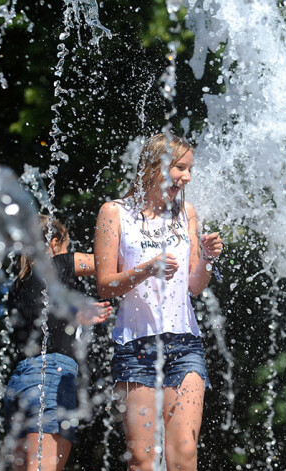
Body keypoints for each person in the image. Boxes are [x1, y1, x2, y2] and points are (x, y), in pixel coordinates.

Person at [93, 134, 223, 471]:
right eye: (181, 167)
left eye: (190, 169)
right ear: (156, 166)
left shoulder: (187, 214)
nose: (187, 177)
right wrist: (146, 269)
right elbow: (106, 285)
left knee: (184, 454)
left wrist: (207, 259)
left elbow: (194, 285)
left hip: (185, 346)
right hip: (135, 347)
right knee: (144, 460)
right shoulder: (114, 213)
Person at [4, 215, 111, 471]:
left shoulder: (17, 286)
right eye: (65, 245)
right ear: (53, 243)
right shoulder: (59, 262)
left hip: (20, 382)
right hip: (50, 377)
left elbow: (42, 323)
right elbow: (107, 262)